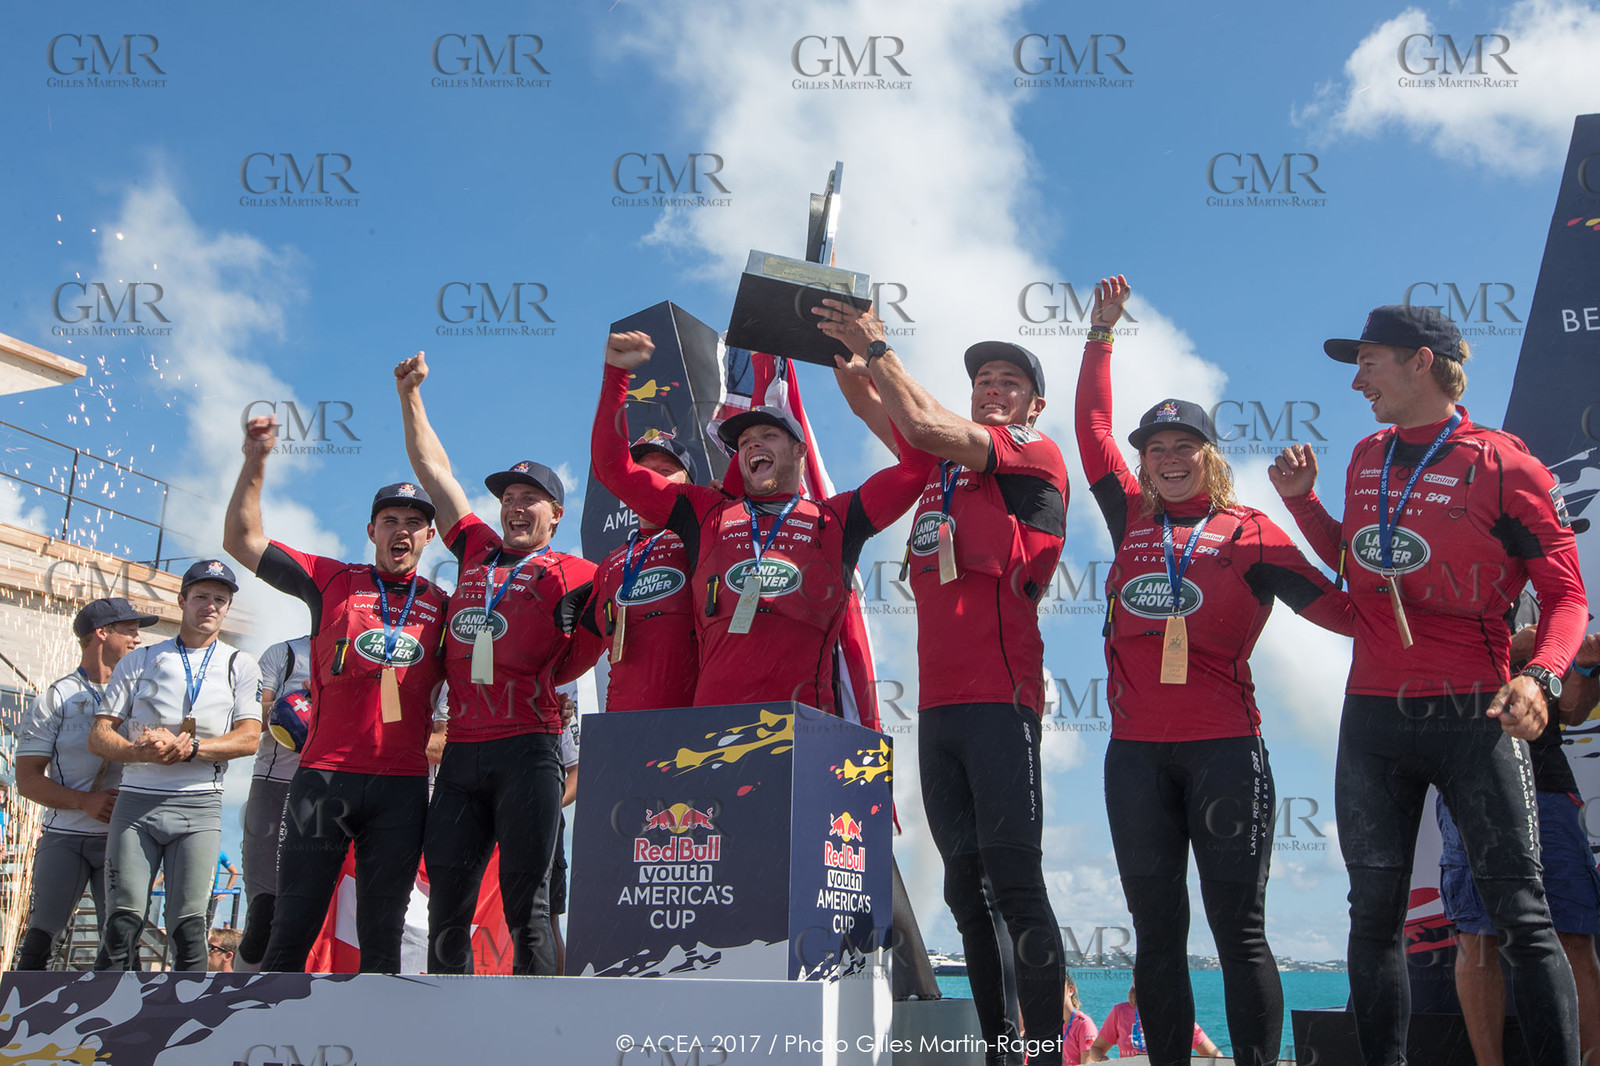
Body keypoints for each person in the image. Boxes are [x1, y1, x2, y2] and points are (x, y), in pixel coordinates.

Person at [1270, 304, 1585, 1065]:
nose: (1356, 380)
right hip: (1374, 717)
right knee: (1371, 918)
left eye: (1369, 361)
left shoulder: (1507, 465)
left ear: (1422, 362)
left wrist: (1541, 677)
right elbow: (1360, 564)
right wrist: (1303, 505)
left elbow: (1569, 596)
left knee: (1522, 915)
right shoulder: (1366, 455)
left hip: (1474, 714)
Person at [1074, 276, 1354, 1065]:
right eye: (1154, 451)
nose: (1166, 460)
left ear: (1208, 457)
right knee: (1157, 935)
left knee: (1239, 930)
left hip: (1227, 752)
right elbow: (1093, 425)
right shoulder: (1130, 516)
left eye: (1182, 448)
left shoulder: (1250, 533)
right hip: (1134, 759)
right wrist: (1101, 334)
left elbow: (1339, 612)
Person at [818, 300, 1069, 1065]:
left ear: (1032, 402)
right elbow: (877, 406)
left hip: (1003, 700)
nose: (992, 390)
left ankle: (1048, 1051)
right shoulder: (945, 470)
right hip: (940, 709)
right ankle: (1000, 1050)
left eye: (1007, 381)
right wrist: (841, 351)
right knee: (967, 892)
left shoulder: (1034, 453)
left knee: (1016, 882)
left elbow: (923, 425)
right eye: (982, 381)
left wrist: (881, 345)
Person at [591, 330, 932, 713]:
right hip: (711, 732)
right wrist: (616, 373)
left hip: (804, 731)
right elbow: (614, 469)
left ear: (799, 450)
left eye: (769, 435)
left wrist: (878, 371)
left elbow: (918, 465)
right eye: (745, 441)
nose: (753, 444)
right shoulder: (705, 514)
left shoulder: (837, 518)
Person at [224, 415, 450, 974]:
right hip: (323, 779)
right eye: (390, 519)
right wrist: (255, 460)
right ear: (371, 530)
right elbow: (241, 540)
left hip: (401, 787)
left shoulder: (446, 605)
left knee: (381, 942)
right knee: (289, 931)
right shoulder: (331, 580)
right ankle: (262, 1049)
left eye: (415, 522)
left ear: (430, 535)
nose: (402, 529)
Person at [394, 351, 595, 976]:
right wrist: (410, 396)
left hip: (528, 751)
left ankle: (540, 1035)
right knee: (445, 904)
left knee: (527, 906)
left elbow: (634, 620)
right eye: (508, 496)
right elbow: (435, 473)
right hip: (461, 755)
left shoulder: (580, 574)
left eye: (530, 498)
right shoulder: (477, 548)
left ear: (555, 515)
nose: (514, 506)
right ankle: (443, 1026)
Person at [1439, 603, 1600, 1066]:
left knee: (1574, 934)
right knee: (1479, 937)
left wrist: (1586, 663)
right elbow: (1446, 662)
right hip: (1469, 776)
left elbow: (1571, 707)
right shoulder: (1459, 582)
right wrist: (1528, 646)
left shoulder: (1556, 598)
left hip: (1549, 781)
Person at [89, 561, 262, 972]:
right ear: (182, 600)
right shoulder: (142, 658)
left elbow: (249, 738)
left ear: (227, 608)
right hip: (137, 804)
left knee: (189, 931)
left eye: (220, 600)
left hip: (200, 807)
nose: (210, 606)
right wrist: (140, 752)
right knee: (122, 923)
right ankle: (101, 1028)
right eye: (201, 596)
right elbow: (99, 735)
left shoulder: (240, 663)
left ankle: (189, 1031)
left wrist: (191, 749)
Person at [13, 597, 158, 969]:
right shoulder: (56, 698)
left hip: (124, 836)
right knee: (41, 939)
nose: (137, 639)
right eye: (129, 630)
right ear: (101, 633)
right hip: (65, 837)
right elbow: (27, 781)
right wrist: (84, 802)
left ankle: (124, 1025)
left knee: (124, 944)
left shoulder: (146, 695)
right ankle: (19, 1022)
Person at [556, 429, 698, 711]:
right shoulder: (610, 566)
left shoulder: (705, 542)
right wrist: (546, 697)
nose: (650, 478)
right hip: (622, 729)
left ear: (690, 484)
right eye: (641, 471)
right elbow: (572, 661)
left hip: (695, 726)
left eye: (666, 470)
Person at [236, 634, 311, 967]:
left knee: (310, 911)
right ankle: (245, 1001)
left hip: (333, 785)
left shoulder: (368, 649)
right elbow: (255, 717)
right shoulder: (284, 652)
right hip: (275, 783)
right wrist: (295, 708)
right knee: (262, 916)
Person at [1086, 983, 1222, 1061]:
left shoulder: (1177, 1014)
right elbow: (1096, 1049)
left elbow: (1216, 1057)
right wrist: (1109, 1063)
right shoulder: (1120, 1012)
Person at [1062, 973, 1099, 1066]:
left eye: (1058, 986)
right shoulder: (1049, 1025)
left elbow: (1088, 1063)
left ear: (1071, 990)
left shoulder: (1084, 1025)